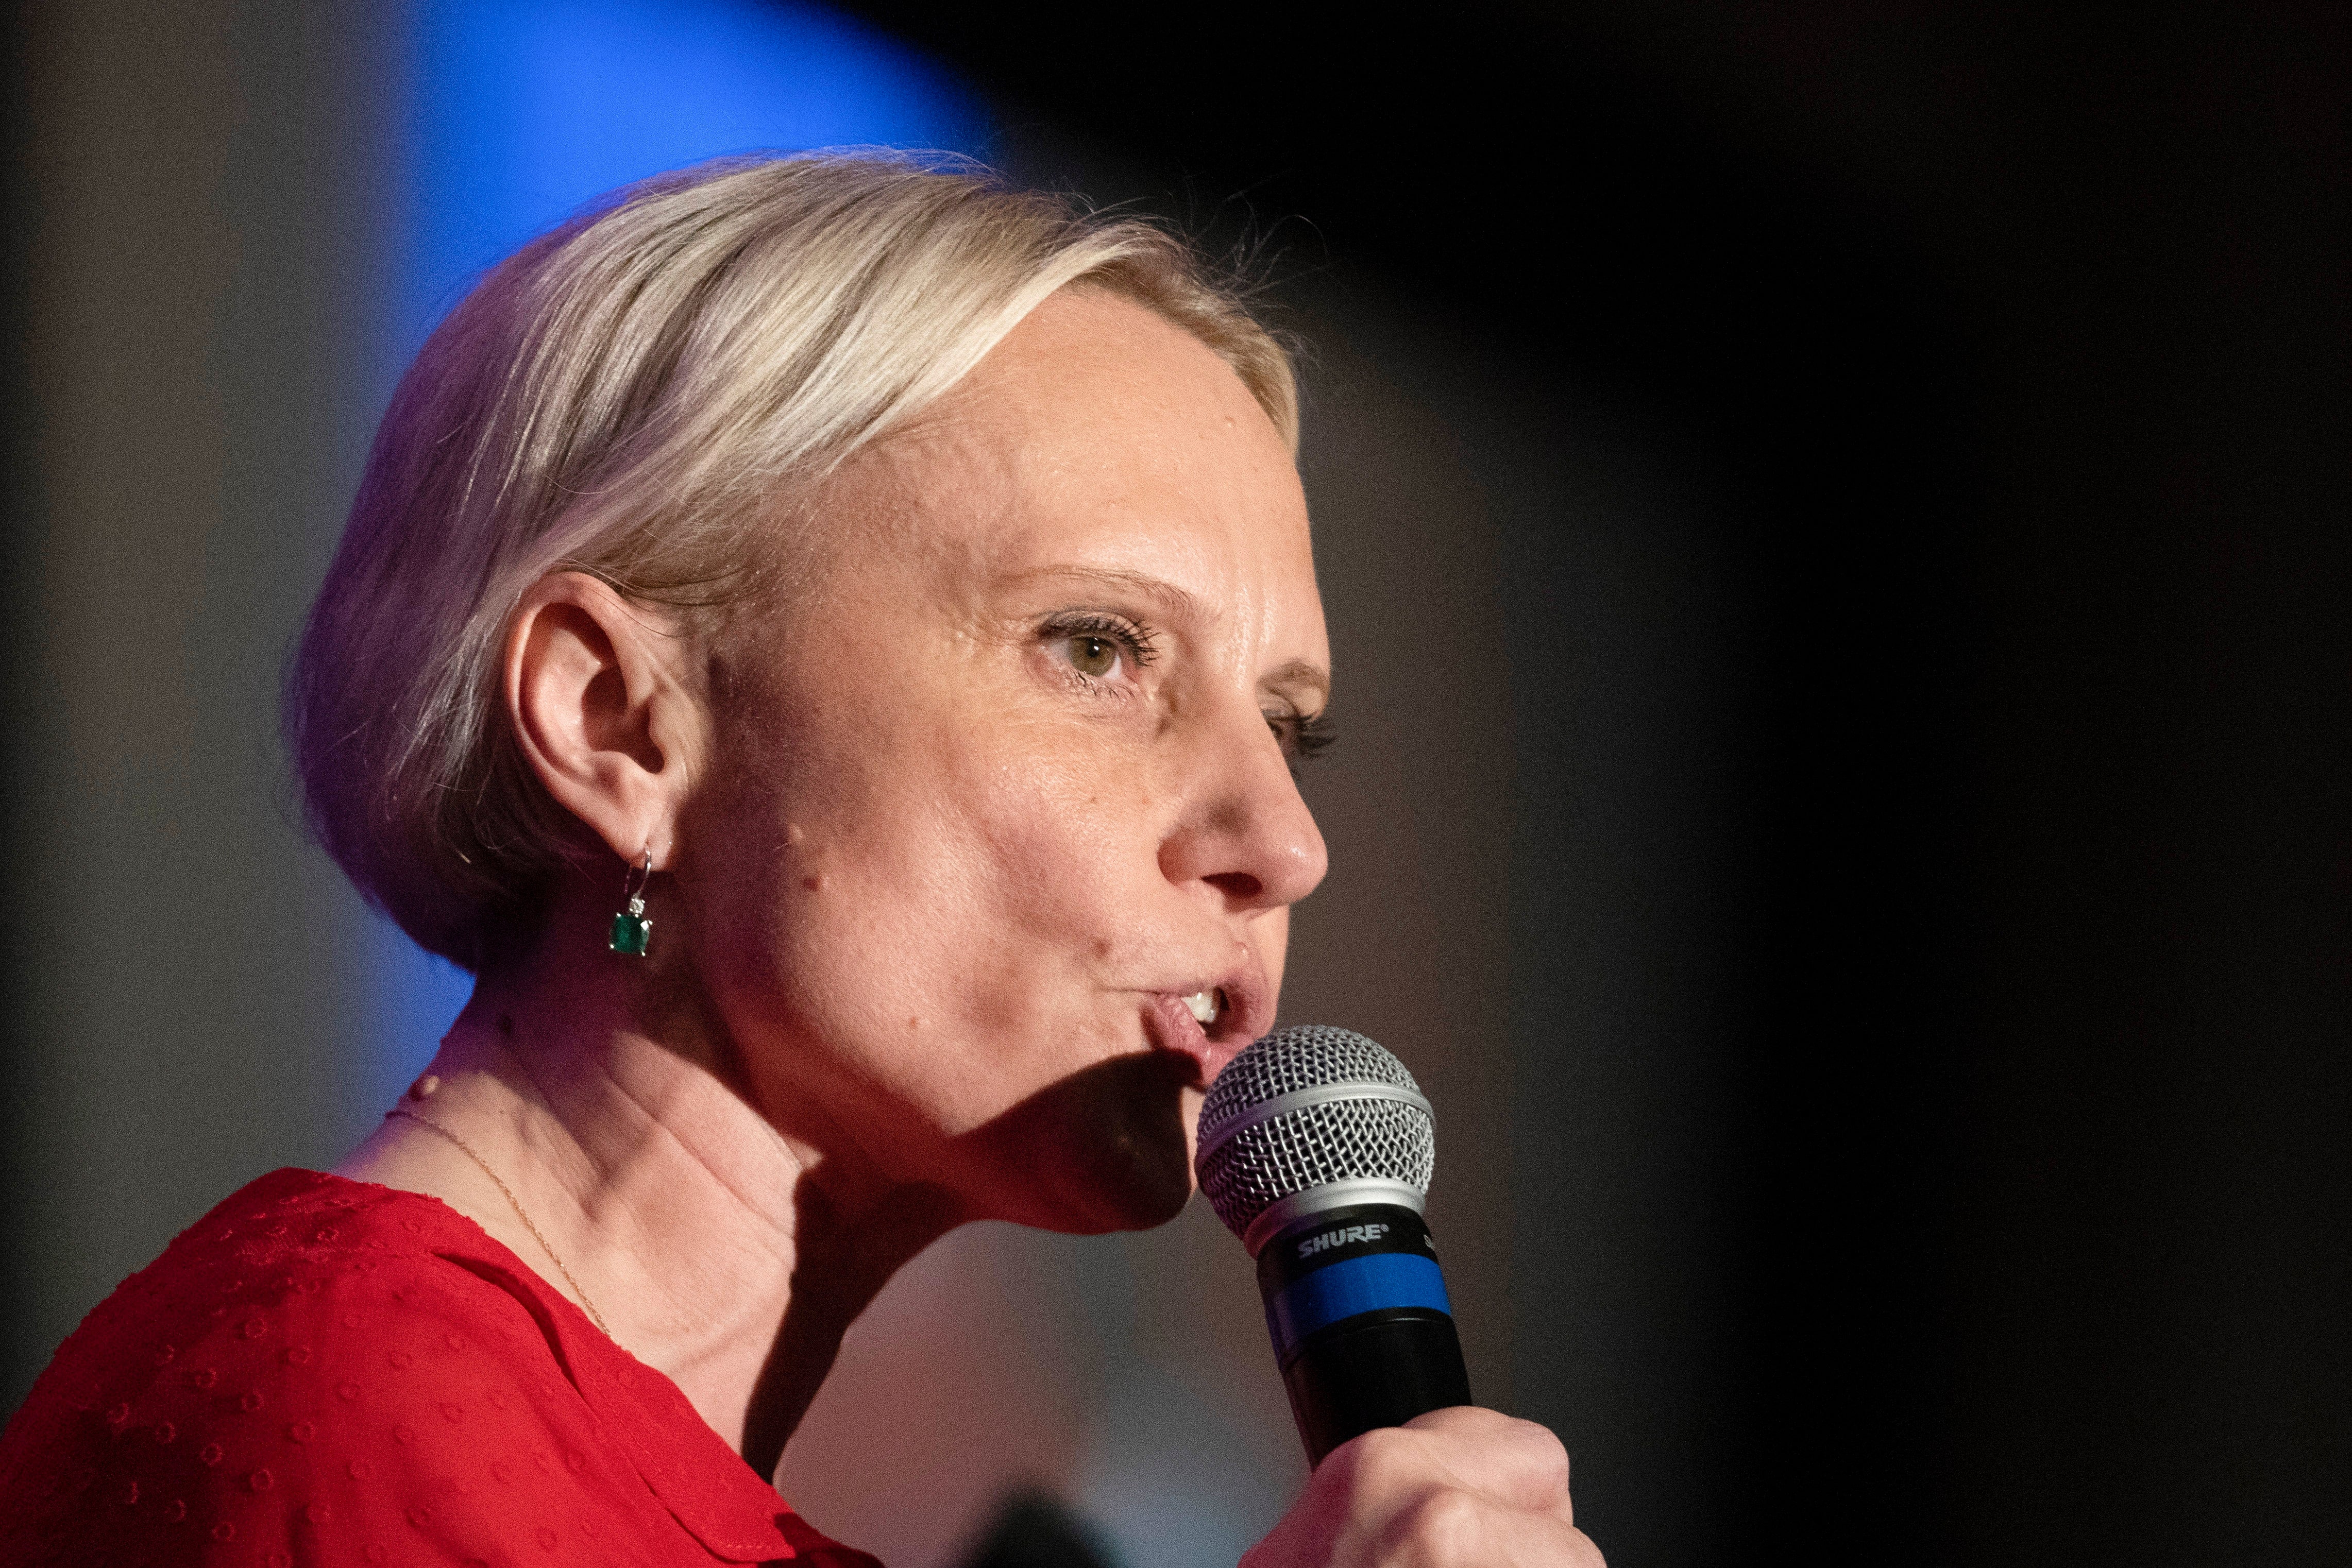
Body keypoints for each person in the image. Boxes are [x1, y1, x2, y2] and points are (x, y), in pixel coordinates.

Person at [0, 154, 1603, 1567]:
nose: (1287, 842)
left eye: (1288, 723)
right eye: (1099, 646)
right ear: (618, 718)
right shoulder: (348, 1400)